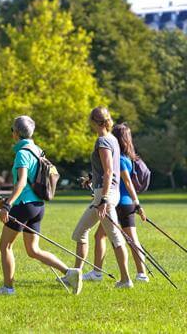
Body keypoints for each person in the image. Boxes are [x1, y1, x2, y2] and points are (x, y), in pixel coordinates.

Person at [0, 115, 82, 295]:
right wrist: (8, 200)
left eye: (12, 130)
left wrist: (8, 205)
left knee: (5, 246)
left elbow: (21, 183)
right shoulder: (37, 150)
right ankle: (70, 272)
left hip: (23, 206)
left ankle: (8, 288)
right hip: (37, 206)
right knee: (33, 250)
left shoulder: (22, 153)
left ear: (16, 133)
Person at [69, 107, 133, 288]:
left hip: (104, 195)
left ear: (94, 122)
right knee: (80, 232)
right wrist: (91, 177)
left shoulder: (103, 141)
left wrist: (103, 198)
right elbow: (106, 168)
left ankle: (126, 280)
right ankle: (75, 275)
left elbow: (108, 170)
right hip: (108, 193)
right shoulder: (112, 139)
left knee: (115, 237)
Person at [83, 123, 149, 282]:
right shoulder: (127, 158)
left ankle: (98, 273)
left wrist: (137, 204)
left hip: (118, 203)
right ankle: (141, 274)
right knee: (126, 238)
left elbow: (127, 182)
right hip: (126, 204)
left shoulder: (118, 159)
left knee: (105, 237)